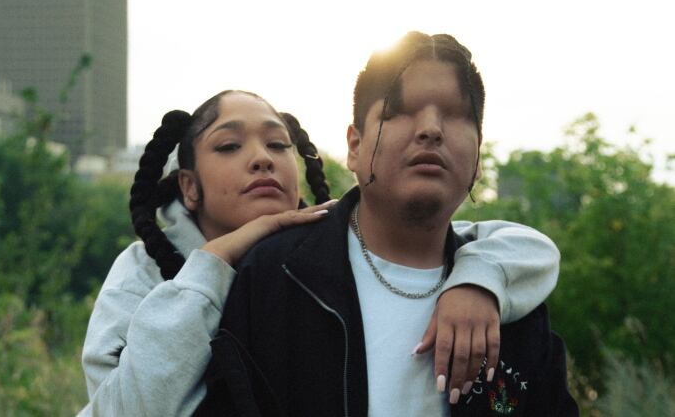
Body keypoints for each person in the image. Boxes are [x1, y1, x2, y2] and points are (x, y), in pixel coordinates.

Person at [80, 88, 560, 417]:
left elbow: (519, 245)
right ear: (189, 186)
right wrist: (215, 262)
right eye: (228, 145)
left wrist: (475, 281)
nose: (261, 157)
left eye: (277, 143)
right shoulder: (145, 271)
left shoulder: (333, 254)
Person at [200, 33, 578, 416]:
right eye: (399, 111)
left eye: (456, 114)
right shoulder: (274, 277)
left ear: (479, 157)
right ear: (354, 146)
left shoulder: (511, 302)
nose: (431, 128)